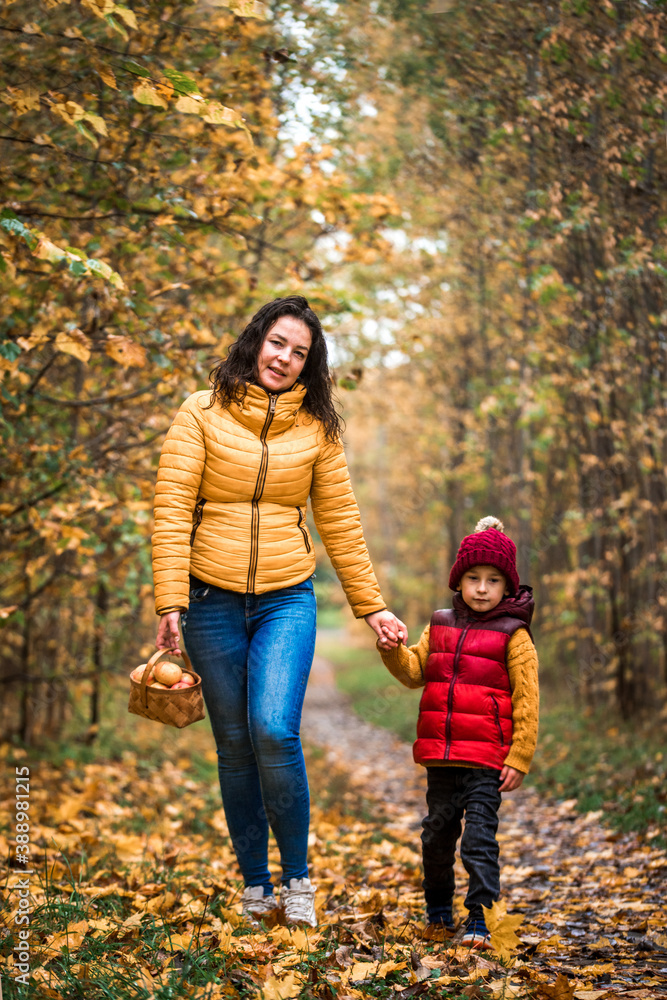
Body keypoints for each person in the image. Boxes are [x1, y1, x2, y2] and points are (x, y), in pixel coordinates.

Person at [152, 295, 406, 927]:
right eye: (278, 343)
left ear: (310, 364)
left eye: (300, 352)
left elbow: (341, 522)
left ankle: (297, 881)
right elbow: (172, 507)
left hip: (287, 598)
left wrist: (371, 607)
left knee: (273, 729)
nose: (286, 359)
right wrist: (170, 601)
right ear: (255, 339)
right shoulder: (200, 412)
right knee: (235, 745)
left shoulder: (316, 427)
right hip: (209, 599)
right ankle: (256, 885)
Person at [377, 516, 538, 948]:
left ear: (508, 587)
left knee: (479, 841)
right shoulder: (440, 622)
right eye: (473, 578)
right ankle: (438, 913)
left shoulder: (514, 635)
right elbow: (415, 672)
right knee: (436, 835)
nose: (482, 589)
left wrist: (519, 755)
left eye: (492, 580)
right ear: (459, 580)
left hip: (486, 761)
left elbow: (527, 699)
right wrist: (391, 651)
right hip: (442, 758)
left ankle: (481, 921)